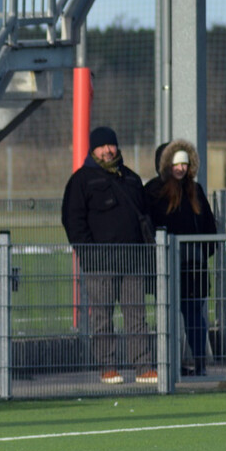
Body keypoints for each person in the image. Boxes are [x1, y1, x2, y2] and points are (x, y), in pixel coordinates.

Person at [61, 126, 157, 385]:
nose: (107, 151)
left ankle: (144, 366)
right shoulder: (81, 180)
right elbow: (73, 221)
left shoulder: (132, 179)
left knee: (137, 316)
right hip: (99, 263)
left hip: (132, 261)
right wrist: (89, 253)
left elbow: (146, 217)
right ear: (93, 150)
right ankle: (107, 367)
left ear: (117, 147)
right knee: (102, 316)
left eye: (110, 145)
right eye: (101, 147)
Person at [144, 139, 216, 376]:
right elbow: (148, 227)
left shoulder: (196, 191)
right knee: (166, 317)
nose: (181, 169)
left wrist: (202, 252)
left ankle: (199, 364)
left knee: (194, 316)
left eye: (185, 164)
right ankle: (169, 365)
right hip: (166, 266)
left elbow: (209, 227)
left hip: (194, 267)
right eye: (176, 164)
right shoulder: (153, 191)